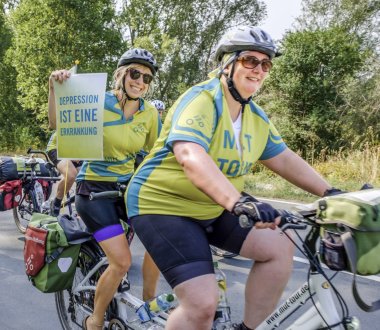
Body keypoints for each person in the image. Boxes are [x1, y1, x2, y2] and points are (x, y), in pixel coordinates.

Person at [126, 26, 341, 330]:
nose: (259, 70)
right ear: (227, 63)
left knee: (280, 247)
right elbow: (190, 155)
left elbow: (282, 158)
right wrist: (237, 201)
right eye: (250, 61)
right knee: (201, 305)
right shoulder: (203, 99)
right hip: (162, 206)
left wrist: (332, 192)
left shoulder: (255, 117)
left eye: (266, 64)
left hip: (214, 208)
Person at [48, 48, 162, 330]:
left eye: (147, 78)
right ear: (122, 74)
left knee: (162, 240)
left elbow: (157, 154)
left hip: (127, 188)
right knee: (121, 262)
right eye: (135, 73)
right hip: (93, 190)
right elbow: (56, 123)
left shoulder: (148, 114)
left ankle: (150, 307)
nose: (141, 82)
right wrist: (55, 88)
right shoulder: (97, 101)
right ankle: (95, 320)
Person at [45, 131, 82, 216]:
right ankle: (56, 203)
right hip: (56, 148)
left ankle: (80, 211)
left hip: (76, 150)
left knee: (86, 179)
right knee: (71, 175)